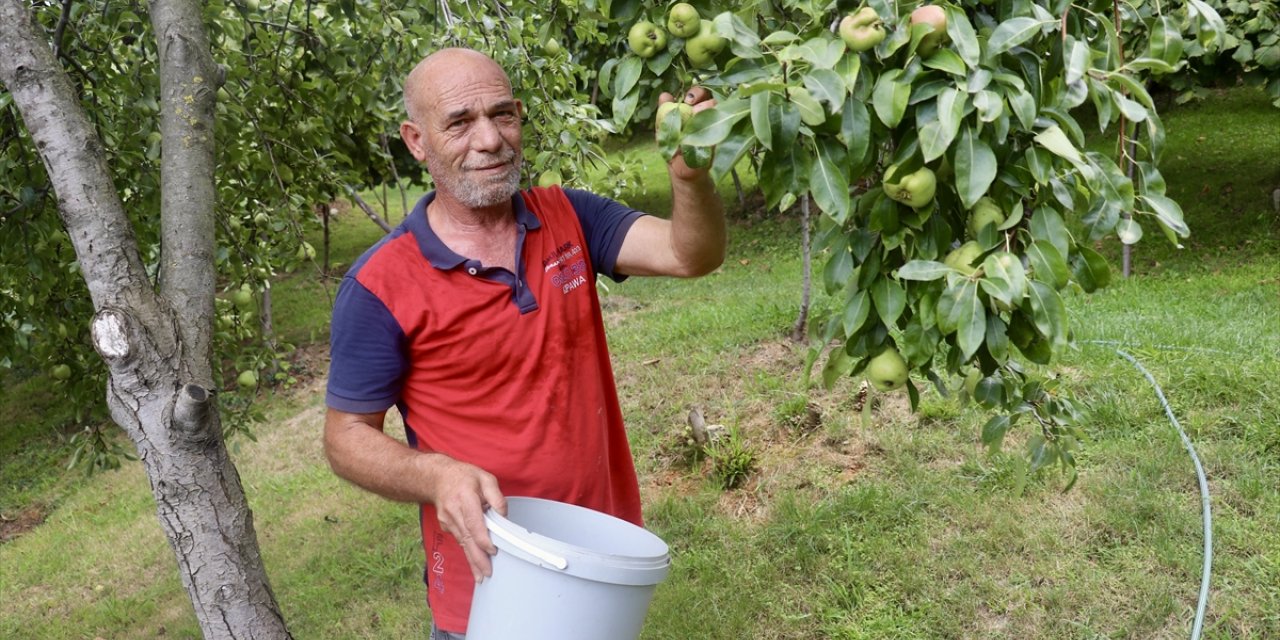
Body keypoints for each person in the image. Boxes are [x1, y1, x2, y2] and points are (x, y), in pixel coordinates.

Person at [322, 47, 725, 639]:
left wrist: (690, 178)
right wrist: (437, 476)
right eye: (460, 122)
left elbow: (692, 255)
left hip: (598, 558)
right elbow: (345, 438)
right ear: (416, 140)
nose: (490, 139)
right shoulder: (381, 284)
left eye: (503, 114)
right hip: (491, 582)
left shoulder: (569, 217)